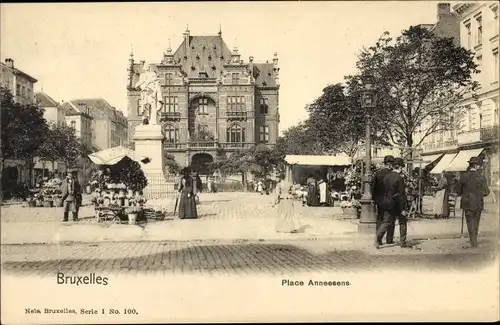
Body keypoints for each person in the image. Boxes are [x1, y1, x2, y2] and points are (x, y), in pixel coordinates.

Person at [375, 158, 411, 249]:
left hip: (387, 203)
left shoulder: (387, 176)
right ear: (400, 167)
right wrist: (403, 208)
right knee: (403, 222)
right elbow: (401, 194)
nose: (403, 169)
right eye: (402, 167)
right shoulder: (399, 178)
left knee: (387, 222)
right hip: (397, 204)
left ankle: (377, 237)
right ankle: (403, 242)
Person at [456, 156, 490, 248]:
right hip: (478, 202)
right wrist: (479, 194)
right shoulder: (481, 177)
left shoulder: (463, 177)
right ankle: (474, 240)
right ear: (476, 166)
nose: (480, 167)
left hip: (467, 202)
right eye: (479, 165)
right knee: (476, 221)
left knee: (470, 221)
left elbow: (458, 191)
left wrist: (465, 193)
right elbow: (487, 192)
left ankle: (473, 241)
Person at [371, 155, 394, 245]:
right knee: (390, 219)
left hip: (379, 200)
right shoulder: (392, 174)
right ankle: (389, 239)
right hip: (389, 200)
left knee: (380, 219)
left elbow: (374, 187)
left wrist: (374, 199)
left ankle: (379, 240)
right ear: (389, 164)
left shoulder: (377, 173)